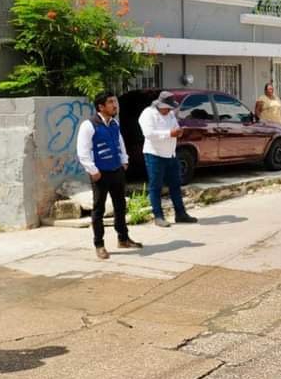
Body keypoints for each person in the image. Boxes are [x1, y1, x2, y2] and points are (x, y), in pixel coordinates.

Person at [76, 91, 142, 260]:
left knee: (120, 206)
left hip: (116, 171)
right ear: (101, 106)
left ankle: (123, 238)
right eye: (111, 102)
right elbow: (82, 152)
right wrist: (93, 171)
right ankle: (99, 245)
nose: (115, 105)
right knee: (99, 210)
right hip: (100, 174)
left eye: (115, 102)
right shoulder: (89, 125)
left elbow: (119, 143)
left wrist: (124, 160)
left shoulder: (114, 123)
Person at [138, 91, 198, 227]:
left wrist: (179, 131)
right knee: (156, 187)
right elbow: (149, 133)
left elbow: (175, 127)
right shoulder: (148, 114)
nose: (169, 110)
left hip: (171, 154)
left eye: (171, 108)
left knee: (176, 185)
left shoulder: (170, 114)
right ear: (160, 105)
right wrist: (169, 133)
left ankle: (181, 214)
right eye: (167, 107)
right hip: (155, 154)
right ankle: (158, 216)